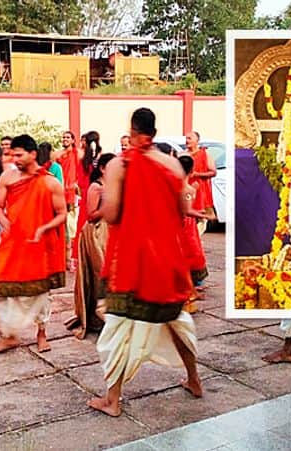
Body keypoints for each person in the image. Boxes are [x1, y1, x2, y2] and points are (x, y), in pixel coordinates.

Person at [88, 108, 207, 418]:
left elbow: (112, 214)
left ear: (133, 129)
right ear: (154, 131)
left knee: (119, 329)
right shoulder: (172, 163)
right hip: (168, 258)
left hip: (133, 260)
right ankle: (194, 380)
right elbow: (183, 207)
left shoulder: (119, 164)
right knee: (176, 321)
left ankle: (112, 400)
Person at [0, 134, 67, 354]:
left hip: (38, 244)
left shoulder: (50, 181)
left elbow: (62, 213)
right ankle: (10, 335)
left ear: (33, 154)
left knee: (39, 292)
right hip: (13, 241)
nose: (15, 159)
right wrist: (6, 224)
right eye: (12, 155)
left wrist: (43, 228)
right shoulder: (7, 177)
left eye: (19, 154)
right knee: (5, 288)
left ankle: (41, 334)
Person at [65, 153, 116, 339]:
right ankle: (96, 318)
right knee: (98, 273)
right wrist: (110, 203)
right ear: (103, 168)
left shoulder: (112, 186)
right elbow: (91, 215)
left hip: (110, 233)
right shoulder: (97, 187)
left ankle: (110, 316)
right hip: (96, 233)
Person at [177, 155, 216, 313]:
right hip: (183, 226)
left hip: (182, 224)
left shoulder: (178, 186)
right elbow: (186, 211)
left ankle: (191, 290)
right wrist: (204, 215)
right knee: (188, 256)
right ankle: (189, 293)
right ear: (192, 170)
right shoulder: (186, 189)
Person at [73, 131, 102, 270]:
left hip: (86, 194)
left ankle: (79, 256)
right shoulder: (100, 158)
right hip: (100, 192)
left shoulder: (83, 160)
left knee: (83, 224)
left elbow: (80, 181)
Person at [55, 131, 79, 270]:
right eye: (63, 137)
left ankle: (72, 259)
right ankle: (65, 259)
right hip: (61, 193)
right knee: (64, 229)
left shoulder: (77, 154)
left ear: (73, 140)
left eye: (68, 137)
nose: (65, 139)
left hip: (73, 194)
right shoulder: (59, 156)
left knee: (72, 226)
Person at [186, 131, 216, 230]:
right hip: (187, 190)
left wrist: (197, 174)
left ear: (197, 140)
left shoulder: (204, 154)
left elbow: (213, 172)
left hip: (201, 191)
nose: (187, 141)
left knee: (201, 218)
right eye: (186, 138)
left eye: (189, 138)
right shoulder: (184, 155)